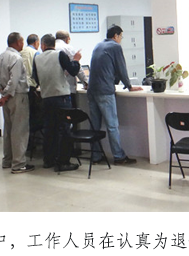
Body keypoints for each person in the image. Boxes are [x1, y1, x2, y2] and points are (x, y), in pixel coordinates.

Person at [87, 25, 144, 164]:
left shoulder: (98, 45)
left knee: (94, 126)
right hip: (104, 91)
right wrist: (129, 86)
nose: (121, 40)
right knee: (112, 126)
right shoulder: (115, 47)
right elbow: (121, 68)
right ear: (116, 36)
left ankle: (96, 156)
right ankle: (118, 156)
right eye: (121, 37)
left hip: (92, 90)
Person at [33, 34, 81, 172]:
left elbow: (35, 78)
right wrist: (76, 60)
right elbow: (73, 71)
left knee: (49, 130)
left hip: (46, 98)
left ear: (43, 45)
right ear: (53, 44)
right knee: (64, 130)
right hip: (61, 97)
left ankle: (48, 160)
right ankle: (63, 162)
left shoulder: (37, 58)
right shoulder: (60, 55)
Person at [0, 32, 34, 174]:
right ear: (17, 42)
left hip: (6, 97)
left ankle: (8, 160)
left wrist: (0, 90)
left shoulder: (1, 56)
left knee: (9, 129)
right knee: (20, 130)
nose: (23, 44)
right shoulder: (16, 58)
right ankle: (18, 164)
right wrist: (6, 95)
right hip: (17, 96)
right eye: (22, 41)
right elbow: (14, 79)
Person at [55, 30, 87, 106]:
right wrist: (85, 82)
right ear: (68, 39)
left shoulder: (51, 48)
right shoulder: (68, 48)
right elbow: (76, 67)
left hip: (52, 89)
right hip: (67, 88)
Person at [21, 34, 43, 135]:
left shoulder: (21, 52)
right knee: (34, 114)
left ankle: (28, 139)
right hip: (32, 86)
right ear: (36, 42)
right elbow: (38, 70)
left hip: (21, 87)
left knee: (25, 115)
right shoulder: (36, 53)